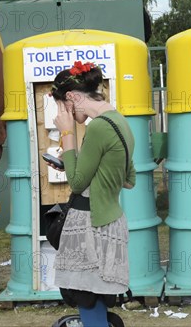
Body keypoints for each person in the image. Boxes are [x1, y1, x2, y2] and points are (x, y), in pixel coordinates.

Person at [49, 61, 136, 326]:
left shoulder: (98, 127)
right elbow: (128, 178)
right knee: (95, 295)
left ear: (72, 98)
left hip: (91, 225)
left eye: (61, 106)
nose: (60, 112)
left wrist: (67, 133)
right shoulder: (118, 119)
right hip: (110, 220)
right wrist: (75, 160)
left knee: (86, 296)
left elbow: (76, 183)